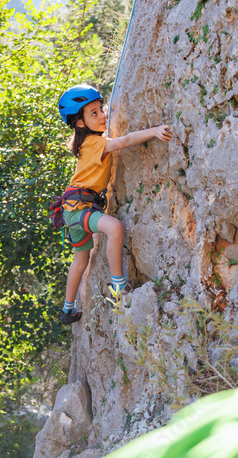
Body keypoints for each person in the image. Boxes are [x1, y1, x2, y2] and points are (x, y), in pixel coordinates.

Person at [57, 84, 172, 325]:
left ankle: (67, 310)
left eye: (101, 109)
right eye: (94, 113)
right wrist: (154, 131)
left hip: (73, 209)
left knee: (81, 260)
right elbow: (127, 140)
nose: (102, 116)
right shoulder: (95, 143)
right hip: (78, 208)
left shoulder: (88, 142)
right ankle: (119, 286)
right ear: (80, 123)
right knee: (115, 228)